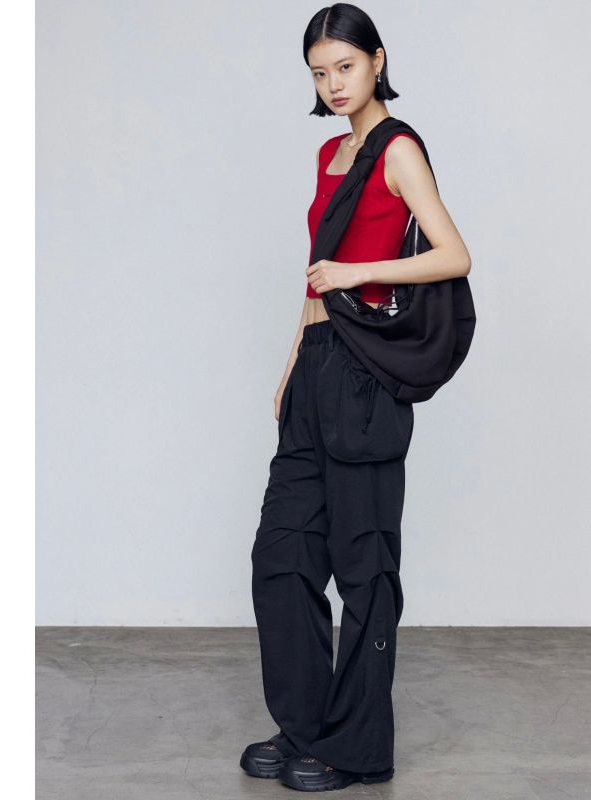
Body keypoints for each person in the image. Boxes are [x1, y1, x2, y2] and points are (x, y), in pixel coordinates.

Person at [240, 3, 472, 792]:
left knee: (364, 565)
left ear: (377, 61)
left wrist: (356, 274)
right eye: (319, 72)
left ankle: (359, 748)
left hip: (366, 372)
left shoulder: (397, 149)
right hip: (316, 365)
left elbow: (453, 253)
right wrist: (291, 362)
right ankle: (307, 725)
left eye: (345, 66)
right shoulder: (328, 154)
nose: (333, 84)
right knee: (283, 556)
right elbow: (316, 271)